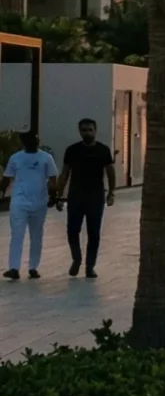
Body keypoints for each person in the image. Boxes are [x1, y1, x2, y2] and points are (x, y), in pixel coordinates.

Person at [60, 118, 115, 279]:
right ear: (79, 131)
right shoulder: (72, 150)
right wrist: (59, 195)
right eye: (84, 130)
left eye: (90, 130)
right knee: (72, 230)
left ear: (95, 131)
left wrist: (111, 193)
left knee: (94, 233)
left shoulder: (103, 150)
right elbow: (65, 173)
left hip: (95, 197)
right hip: (75, 197)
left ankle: (90, 266)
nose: (87, 133)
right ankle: (76, 259)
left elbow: (110, 172)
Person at [3, 130, 58, 280]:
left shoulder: (46, 158)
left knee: (36, 235)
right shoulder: (16, 158)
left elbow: (53, 178)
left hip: (39, 202)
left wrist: (54, 195)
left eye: (36, 140)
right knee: (17, 234)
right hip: (19, 201)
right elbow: (7, 178)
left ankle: (33, 267)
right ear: (24, 142)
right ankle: (14, 268)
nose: (34, 143)